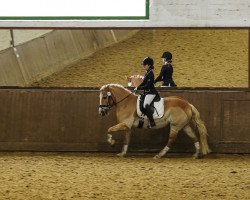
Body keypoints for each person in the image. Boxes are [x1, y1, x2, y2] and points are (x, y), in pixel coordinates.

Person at [134, 57, 158, 128]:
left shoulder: (151, 73)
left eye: (144, 65)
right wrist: (137, 87)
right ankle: (142, 118)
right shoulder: (147, 73)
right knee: (140, 101)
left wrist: (140, 88)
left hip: (151, 92)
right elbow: (144, 82)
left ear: (149, 65)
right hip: (147, 92)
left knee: (145, 105)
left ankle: (152, 121)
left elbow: (148, 85)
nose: (143, 66)